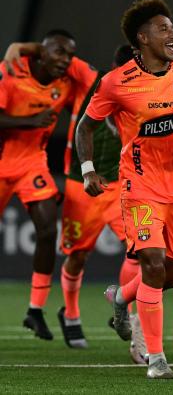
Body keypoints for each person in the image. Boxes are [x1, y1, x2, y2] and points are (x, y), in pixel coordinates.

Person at [75, 0, 173, 379]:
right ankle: (156, 359)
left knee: (171, 275)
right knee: (152, 264)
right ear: (143, 38)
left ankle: (120, 297)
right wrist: (88, 170)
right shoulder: (117, 83)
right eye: (164, 28)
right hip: (139, 186)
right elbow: (84, 126)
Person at [0, 30, 96, 341]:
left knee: (47, 229)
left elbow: (88, 108)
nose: (64, 60)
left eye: (69, 56)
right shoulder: (10, 71)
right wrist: (30, 121)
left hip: (31, 163)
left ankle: (35, 310)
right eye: (58, 53)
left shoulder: (65, 84)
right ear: (41, 52)